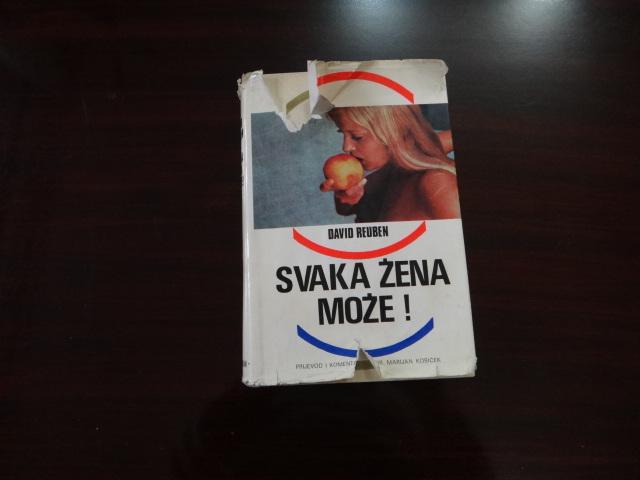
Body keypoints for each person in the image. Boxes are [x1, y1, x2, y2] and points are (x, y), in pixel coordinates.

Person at [320, 105, 461, 222]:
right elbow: (347, 209)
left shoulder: (436, 185)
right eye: (343, 134)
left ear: (392, 132)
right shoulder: (396, 168)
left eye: (357, 137)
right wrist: (347, 197)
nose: (346, 147)